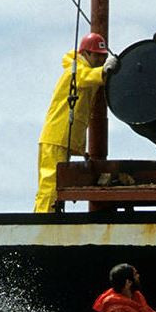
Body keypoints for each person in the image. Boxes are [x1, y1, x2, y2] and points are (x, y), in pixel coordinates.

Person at [34, 33, 118, 213]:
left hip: (63, 138)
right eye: (97, 55)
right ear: (85, 54)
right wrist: (104, 71)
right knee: (50, 184)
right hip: (56, 138)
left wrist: (81, 149)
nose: (101, 59)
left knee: (57, 184)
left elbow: (81, 112)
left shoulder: (88, 73)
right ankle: (43, 220)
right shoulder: (76, 70)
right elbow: (85, 78)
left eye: (103, 56)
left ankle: (49, 216)